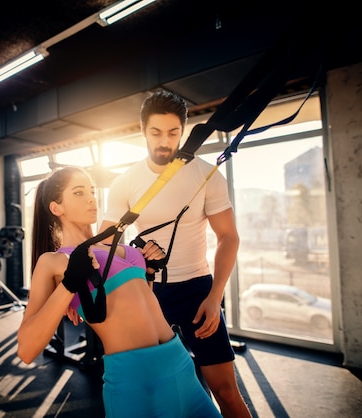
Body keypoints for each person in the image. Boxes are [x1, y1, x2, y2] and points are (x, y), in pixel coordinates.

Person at [17, 166, 221, 418]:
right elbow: (26, 351)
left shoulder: (124, 249)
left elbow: (141, 306)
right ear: (57, 208)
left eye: (91, 190)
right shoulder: (54, 262)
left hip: (179, 362)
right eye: (79, 193)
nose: (92, 198)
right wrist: (69, 285)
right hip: (135, 377)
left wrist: (149, 273)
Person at [100, 90, 252, 418]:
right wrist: (135, 251)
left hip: (199, 291)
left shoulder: (206, 174)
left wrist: (215, 297)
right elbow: (104, 245)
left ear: (182, 131)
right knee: (158, 394)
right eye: (156, 133)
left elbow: (228, 237)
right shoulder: (125, 182)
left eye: (172, 132)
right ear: (143, 132)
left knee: (226, 391)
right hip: (150, 293)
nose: (164, 141)